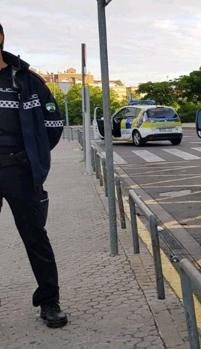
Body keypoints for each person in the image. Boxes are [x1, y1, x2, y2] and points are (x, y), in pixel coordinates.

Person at [0, 23, 67, 328]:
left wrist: (33, 157)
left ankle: (49, 301)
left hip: (19, 170)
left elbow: (53, 123)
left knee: (35, 236)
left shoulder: (25, 81)